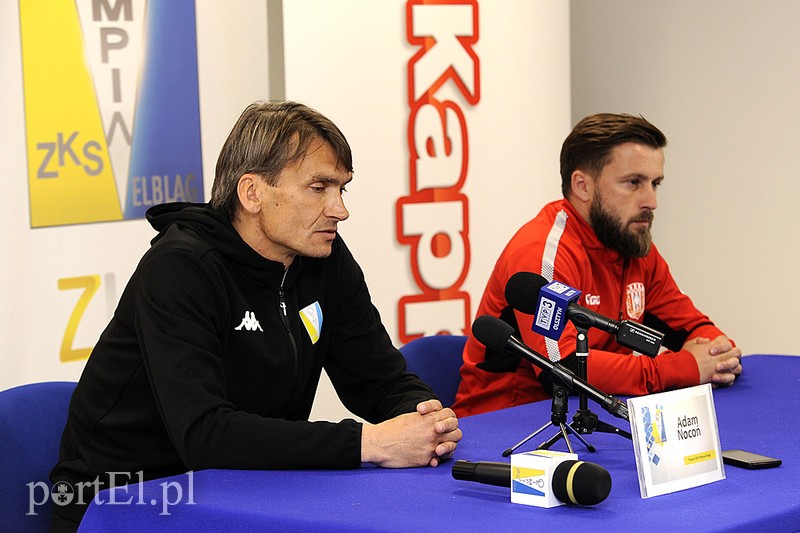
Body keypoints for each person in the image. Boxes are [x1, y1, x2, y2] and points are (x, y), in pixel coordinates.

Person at [50, 100, 461, 531]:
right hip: (128, 503)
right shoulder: (179, 269)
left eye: (343, 188)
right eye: (319, 188)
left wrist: (424, 418)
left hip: (247, 491)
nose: (340, 209)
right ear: (252, 194)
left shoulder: (325, 258)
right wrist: (369, 442)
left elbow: (378, 378)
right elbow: (205, 435)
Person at [453, 113, 742, 417]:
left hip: (597, 411)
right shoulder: (543, 250)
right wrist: (679, 368)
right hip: (509, 421)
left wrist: (716, 356)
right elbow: (561, 368)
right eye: (634, 183)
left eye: (655, 183)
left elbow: (694, 328)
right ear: (582, 186)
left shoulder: (632, 244)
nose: (651, 201)